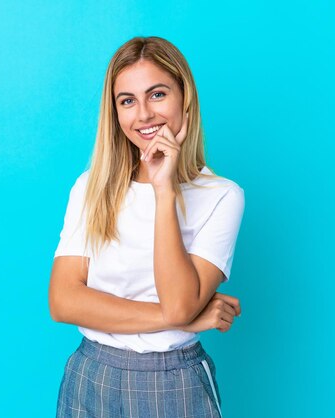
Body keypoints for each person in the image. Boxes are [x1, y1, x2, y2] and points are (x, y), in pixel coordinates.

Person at [49, 36, 245, 418]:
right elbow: (62, 300)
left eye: (157, 95)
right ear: (116, 112)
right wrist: (182, 317)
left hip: (172, 381)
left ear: (184, 97)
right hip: (90, 374)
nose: (143, 115)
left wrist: (163, 190)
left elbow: (178, 304)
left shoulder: (223, 196)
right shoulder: (90, 187)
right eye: (127, 101)